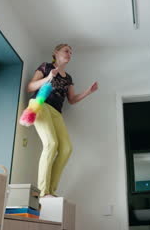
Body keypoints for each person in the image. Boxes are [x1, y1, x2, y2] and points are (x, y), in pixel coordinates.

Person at [26, 43, 98, 197]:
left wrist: (88, 92)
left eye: (71, 53)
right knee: (51, 144)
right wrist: (48, 78)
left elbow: (71, 99)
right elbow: (30, 87)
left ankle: (51, 191)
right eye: (66, 51)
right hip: (41, 105)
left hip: (56, 113)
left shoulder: (69, 78)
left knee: (66, 149)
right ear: (56, 52)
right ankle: (43, 192)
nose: (69, 54)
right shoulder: (45, 67)